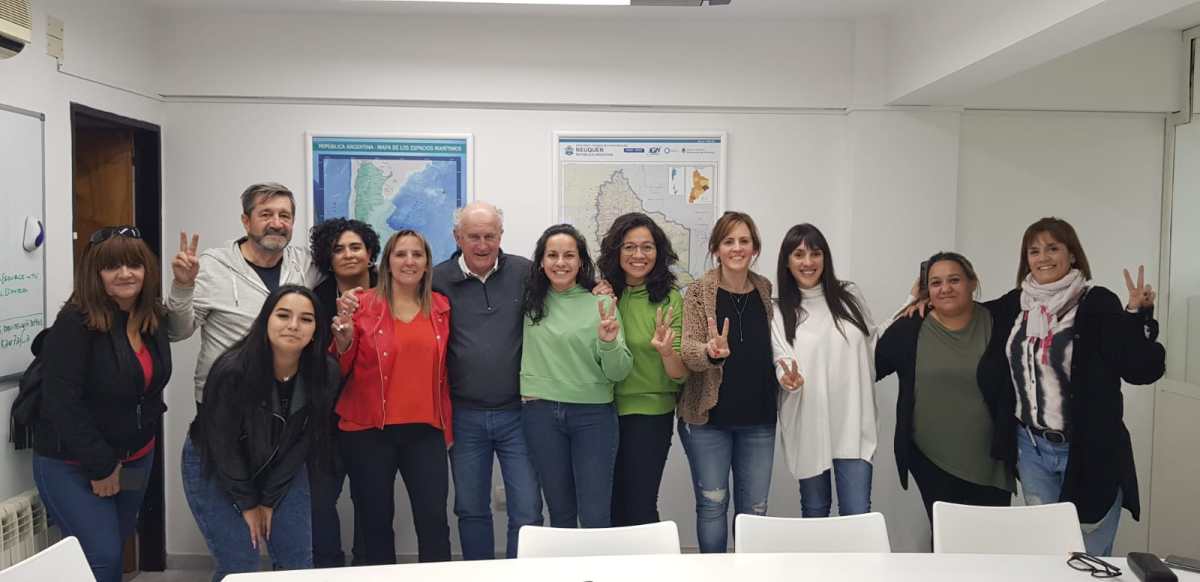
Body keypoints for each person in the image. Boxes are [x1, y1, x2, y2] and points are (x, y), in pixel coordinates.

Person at [979, 217, 1164, 556]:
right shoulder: (1016, 304)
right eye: (1034, 251)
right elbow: (964, 310)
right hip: (1032, 449)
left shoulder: (1096, 303)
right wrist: (923, 298)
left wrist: (1138, 316)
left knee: (1088, 557)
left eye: (1053, 248)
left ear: (1072, 254)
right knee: (1048, 551)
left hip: (1090, 450)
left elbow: (1140, 369)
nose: (1043, 257)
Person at [32, 226, 172, 582]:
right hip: (72, 463)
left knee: (116, 547)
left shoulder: (151, 317)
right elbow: (62, 402)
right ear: (95, 273)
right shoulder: (75, 322)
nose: (125, 274)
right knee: (101, 560)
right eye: (112, 266)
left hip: (137, 457)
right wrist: (101, 466)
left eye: (134, 265)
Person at [182, 285, 338, 582]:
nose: (293, 325)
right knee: (241, 564)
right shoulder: (232, 370)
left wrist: (269, 499)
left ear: (316, 330)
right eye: (283, 315)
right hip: (216, 465)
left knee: (298, 564)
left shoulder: (325, 372)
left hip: (281, 464)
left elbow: (305, 441)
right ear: (265, 319)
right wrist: (248, 503)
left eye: (306, 319)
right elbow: (223, 446)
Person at [331, 230, 453, 564]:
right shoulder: (362, 304)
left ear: (427, 264)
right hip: (368, 430)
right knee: (374, 525)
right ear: (386, 263)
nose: (409, 261)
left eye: (417, 254)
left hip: (426, 430)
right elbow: (339, 367)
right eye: (400, 254)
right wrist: (342, 340)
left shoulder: (441, 307)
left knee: (434, 523)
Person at [431, 202, 543, 560]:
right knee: (470, 508)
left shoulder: (526, 272)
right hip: (464, 415)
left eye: (490, 236)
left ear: (501, 236)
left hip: (519, 413)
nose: (482, 245)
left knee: (527, 510)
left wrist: (599, 289)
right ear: (457, 237)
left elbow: (567, 288)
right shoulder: (435, 279)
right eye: (473, 236)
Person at [874, 252, 1015, 524]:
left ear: (972, 282)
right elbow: (869, 366)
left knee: (993, 538)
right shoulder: (910, 327)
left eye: (954, 280)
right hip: (932, 460)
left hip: (991, 460)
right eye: (936, 283)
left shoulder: (999, 318)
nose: (945, 288)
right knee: (946, 537)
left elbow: (1038, 288)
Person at [770, 223, 899, 517]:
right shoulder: (778, 310)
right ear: (786, 261)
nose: (808, 262)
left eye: (815, 253)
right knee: (815, 512)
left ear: (825, 258)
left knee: (857, 513)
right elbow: (781, 357)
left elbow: (873, 341)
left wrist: (910, 303)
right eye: (799, 254)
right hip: (810, 423)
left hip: (853, 421)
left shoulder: (849, 295)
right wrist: (787, 380)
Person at [520, 224, 632, 528]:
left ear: (581, 261)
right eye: (552, 255)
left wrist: (609, 342)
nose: (560, 262)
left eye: (569, 255)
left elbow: (619, 371)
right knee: (561, 515)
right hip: (540, 415)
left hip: (593, 416)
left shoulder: (602, 303)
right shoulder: (528, 301)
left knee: (595, 516)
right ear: (541, 262)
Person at [167, 182, 321, 404]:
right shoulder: (213, 266)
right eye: (266, 214)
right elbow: (176, 332)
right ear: (246, 221)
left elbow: (348, 270)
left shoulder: (305, 264)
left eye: (285, 216)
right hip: (225, 399)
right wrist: (182, 286)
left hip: (282, 402)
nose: (277, 223)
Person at [679, 211, 776, 553]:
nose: (737, 248)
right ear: (716, 249)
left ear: (755, 248)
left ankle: (748, 575)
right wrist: (709, 352)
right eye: (728, 241)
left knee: (755, 512)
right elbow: (687, 350)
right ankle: (714, 574)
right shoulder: (698, 292)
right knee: (712, 506)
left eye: (744, 241)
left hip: (759, 419)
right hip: (709, 420)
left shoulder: (765, 289)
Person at [596, 212, 686, 526]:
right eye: (629, 247)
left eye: (647, 247)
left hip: (650, 414)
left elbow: (680, 374)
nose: (639, 255)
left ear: (658, 252)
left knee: (640, 506)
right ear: (616, 251)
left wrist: (666, 352)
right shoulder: (603, 295)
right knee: (607, 506)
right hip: (602, 412)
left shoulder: (670, 299)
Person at [304, 218, 379, 567]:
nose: (348, 255)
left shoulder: (392, 290)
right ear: (327, 259)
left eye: (355, 247)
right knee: (319, 502)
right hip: (324, 419)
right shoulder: (313, 300)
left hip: (374, 420)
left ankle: (365, 568)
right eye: (338, 249)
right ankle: (327, 568)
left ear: (369, 253)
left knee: (371, 504)